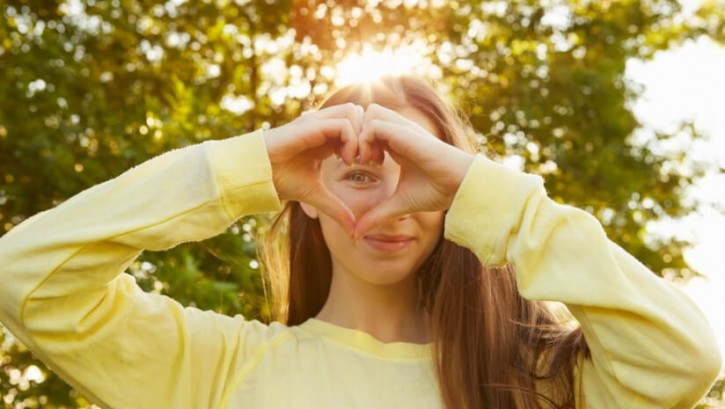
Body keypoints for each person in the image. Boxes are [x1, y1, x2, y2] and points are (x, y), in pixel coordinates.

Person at [0, 75, 720, 409]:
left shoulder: (544, 382)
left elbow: (685, 362)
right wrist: (251, 168)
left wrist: (490, 199)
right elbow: (26, 277)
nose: (393, 202)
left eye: (425, 175)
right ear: (307, 198)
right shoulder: (217, 370)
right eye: (361, 173)